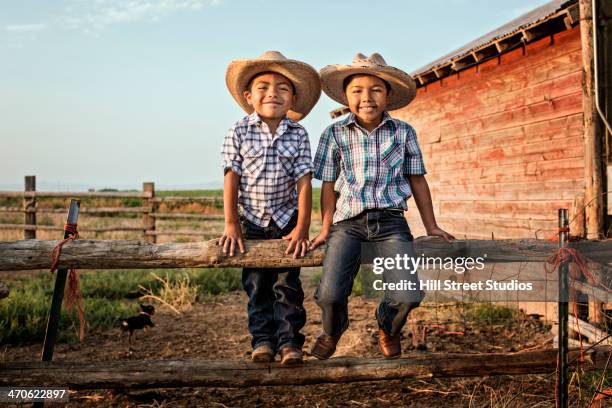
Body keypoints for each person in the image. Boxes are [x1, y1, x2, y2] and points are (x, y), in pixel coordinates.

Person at [309, 52, 454, 359]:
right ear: (346, 96)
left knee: (407, 294)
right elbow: (327, 187)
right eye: (357, 91)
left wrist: (431, 226)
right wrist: (324, 228)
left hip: (391, 223)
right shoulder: (334, 133)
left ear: (388, 95)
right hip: (347, 223)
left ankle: (388, 327)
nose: (367, 97)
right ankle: (333, 330)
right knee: (331, 293)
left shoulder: (403, 132)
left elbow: (417, 181)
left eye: (375, 89)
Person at [220, 51, 320, 365]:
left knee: (287, 286)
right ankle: (262, 341)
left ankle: (290, 343)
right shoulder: (239, 130)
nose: (272, 93)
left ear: (292, 98)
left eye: (281, 88)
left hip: (287, 220)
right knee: (256, 285)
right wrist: (231, 223)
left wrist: (302, 227)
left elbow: (304, 181)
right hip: (250, 221)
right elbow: (231, 176)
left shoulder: (299, 133)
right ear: (249, 97)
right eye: (263, 87)